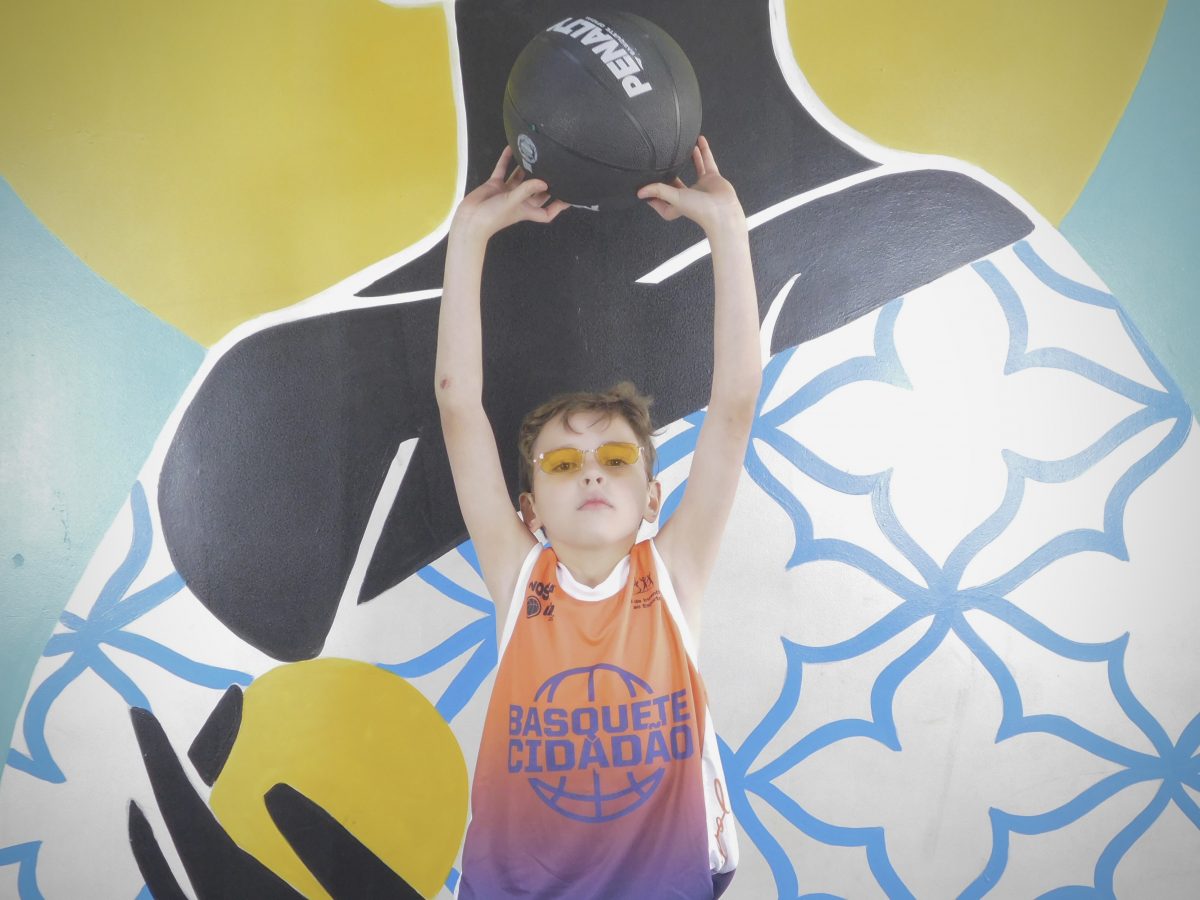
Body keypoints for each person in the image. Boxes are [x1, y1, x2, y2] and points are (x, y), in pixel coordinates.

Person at [437, 136, 760, 899]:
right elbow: (457, 402)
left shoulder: (673, 573)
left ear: (652, 498)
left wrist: (728, 231)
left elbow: (735, 404)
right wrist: (468, 236)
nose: (590, 471)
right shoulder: (520, 576)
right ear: (529, 510)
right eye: (562, 463)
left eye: (615, 459)